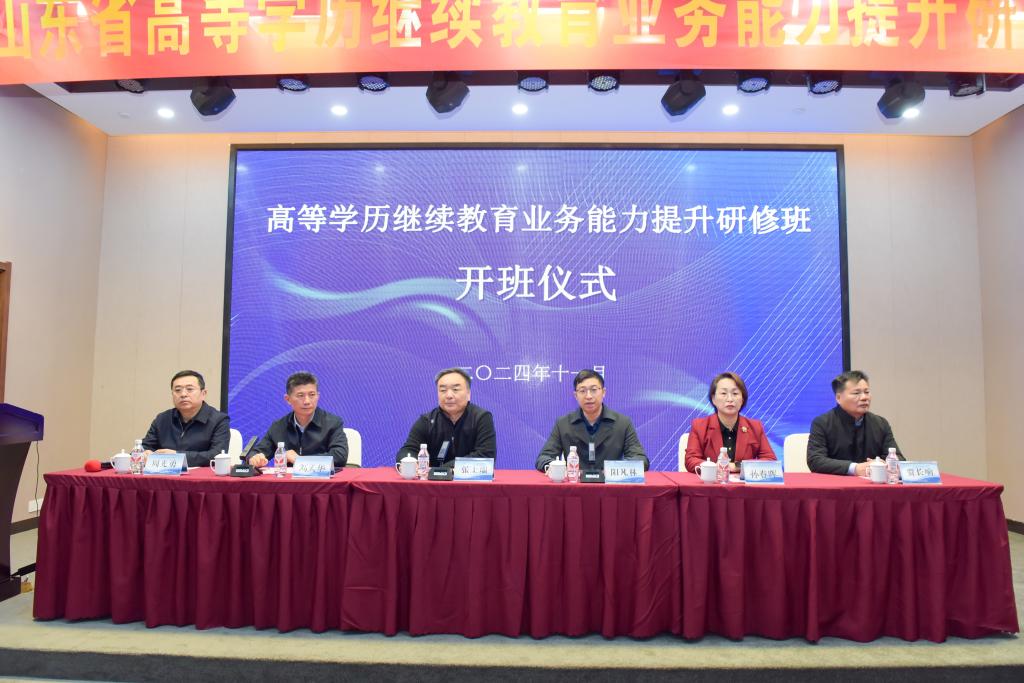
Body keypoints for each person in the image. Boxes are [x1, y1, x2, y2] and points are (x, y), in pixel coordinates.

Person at [535, 369, 648, 472]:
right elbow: (543, 458)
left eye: (594, 390)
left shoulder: (622, 423)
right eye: (582, 391)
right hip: (575, 486)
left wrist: (615, 471)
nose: (588, 396)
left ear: (603, 392)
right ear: (576, 395)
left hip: (610, 486)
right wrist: (558, 469)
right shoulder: (563, 424)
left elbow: (640, 459)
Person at [807, 370, 903, 476]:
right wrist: (855, 468)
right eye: (856, 393)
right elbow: (815, 461)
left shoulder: (880, 424)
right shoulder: (822, 423)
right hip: (836, 483)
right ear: (838, 398)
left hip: (873, 484)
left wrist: (883, 465)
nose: (864, 397)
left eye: (867, 392)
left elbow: (898, 458)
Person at [396, 367, 496, 467]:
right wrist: (411, 463)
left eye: (455, 389)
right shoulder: (427, 421)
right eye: (443, 390)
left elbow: (486, 456)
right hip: (433, 477)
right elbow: (408, 450)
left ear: (468, 393)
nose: (449, 395)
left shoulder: (481, 417)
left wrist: (444, 469)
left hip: (467, 477)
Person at [250, 371, 349, 468]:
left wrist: (300, 460)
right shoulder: (279, 426)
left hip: (322, 478)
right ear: (288, 399)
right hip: (290, 479)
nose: (307, 401)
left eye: (312, 395)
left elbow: (339, 457)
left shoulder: (333, 423)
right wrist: (255, 458)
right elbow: (256, 452)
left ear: (318, 396)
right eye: (300, 396)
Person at [684, 371, 776, 473]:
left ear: (742, 399)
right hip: (712, 481)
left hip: (744, 483)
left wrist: (737, 466)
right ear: (713, 399)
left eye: (735, 393)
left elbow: (770, 461)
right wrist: (715, 467)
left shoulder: (755, 427)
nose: (730, 399)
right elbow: (691, 460)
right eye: (723, 393)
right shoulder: (700, 426)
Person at [141, 370, 230, 468]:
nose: (183, 394)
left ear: (203, 394)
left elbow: (217, 455)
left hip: (200, 475)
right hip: (165, 474)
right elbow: (144, 447)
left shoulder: (219, 420)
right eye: (177, 390)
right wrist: (145, 453)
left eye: (189, 389)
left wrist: (178, 456)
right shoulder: (162, 419)